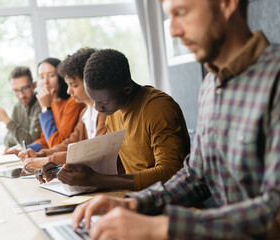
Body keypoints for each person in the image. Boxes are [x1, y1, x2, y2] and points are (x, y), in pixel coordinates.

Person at [71, 0, 280, 239]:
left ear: (227, 4)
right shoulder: (209, 86)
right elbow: (196, 177)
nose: (173, 30)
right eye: (169, 16)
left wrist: (161, 228)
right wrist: (133, 204)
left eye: (182, 12)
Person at [36, 48, 190, 191]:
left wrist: (98, 180)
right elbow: (106, 162)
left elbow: (170, 172)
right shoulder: (114, 110)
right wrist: (61, 170)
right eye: (93, 100)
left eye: (102, 103)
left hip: (168, 201)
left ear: (127, 89)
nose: (97, 108)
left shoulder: (158, 108)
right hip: (137, 196)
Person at [18, 48, 107, 171]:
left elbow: (90, 152)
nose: (69, 90)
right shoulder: (85, 111)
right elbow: (70, 144)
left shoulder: (94, 110)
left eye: (74, 85)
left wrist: (47, 159)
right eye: (41, 77)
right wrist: (40, 154)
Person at [25, 58, 84, 153]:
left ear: (61, 78)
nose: (45, 82)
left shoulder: (73, 102)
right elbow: (46, 140)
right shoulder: (51, 102)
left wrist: (46, 109)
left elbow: (56, 144)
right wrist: (25, 149)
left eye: (51, 75)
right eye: (41, 77)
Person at [0, 66, 41, 149]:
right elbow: (7, 140)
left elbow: (31, 142)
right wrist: (20, 139)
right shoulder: (17, 107)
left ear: (34, 85)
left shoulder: (41, 103)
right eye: (16, 90)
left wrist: (6, 120)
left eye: (25, 88)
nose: (21, 95)